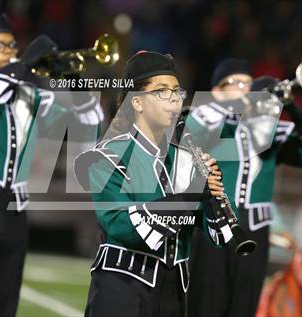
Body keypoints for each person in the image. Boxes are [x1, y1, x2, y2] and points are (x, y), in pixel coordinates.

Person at [0, 13, 102, 317]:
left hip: (14, 212)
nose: (8, 50)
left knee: (3, 304)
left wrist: (73, 82)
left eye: (12, 45)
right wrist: (21, 66)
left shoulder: (28, 94)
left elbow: (87, 121)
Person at [74, 51, 231, 317]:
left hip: (175, 293)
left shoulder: (184, 158)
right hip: (123, 287)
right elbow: (123, 226)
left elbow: (219, 236)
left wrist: (213, 196)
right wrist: (191, 195)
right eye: (161, 91)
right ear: (137, 102)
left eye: (175, 91)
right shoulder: (105, 156)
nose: (172, 98)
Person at [187, 58, 302, 317]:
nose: (244, 89)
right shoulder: (210, 118)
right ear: (217, 91)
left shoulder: (270, 133)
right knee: (205, 303)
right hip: (213, 227)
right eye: (236, 84)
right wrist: (245, 104)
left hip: (255, 232)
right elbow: (193, 129)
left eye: (247, 84)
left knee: (244, 306)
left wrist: (292, 107)